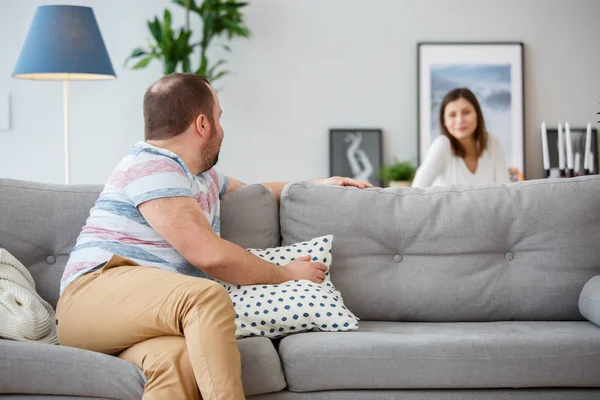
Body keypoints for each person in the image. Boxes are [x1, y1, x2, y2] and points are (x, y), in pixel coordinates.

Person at [55, 73, 373, 400]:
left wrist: (320, 183)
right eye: (220, 117)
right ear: (203, 124)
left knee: (176, 360)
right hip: (92, 297)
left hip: (140, 316)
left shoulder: (201, 176)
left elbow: (256, 191)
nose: (222, 128)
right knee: (205, 296)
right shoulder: (152, 165)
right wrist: (285, 274)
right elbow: (211, 256)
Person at [411, 88, 510, 188]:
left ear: (477, 114)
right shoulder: (442, 145)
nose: (460, 120)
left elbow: (505, 191)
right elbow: (416, 191)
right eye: (452, 115)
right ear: (444, 121)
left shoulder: (493, 143)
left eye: (466, 112)